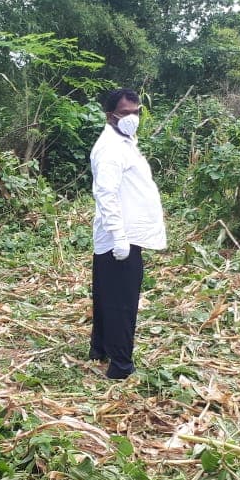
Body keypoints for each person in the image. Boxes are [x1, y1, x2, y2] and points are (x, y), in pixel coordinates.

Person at [88, 89, 167, 380]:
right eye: (126, 113)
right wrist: (119, 237)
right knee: (122, 301)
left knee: (106, 294)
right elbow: (105, 194)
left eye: (137, 112)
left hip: (121, 233)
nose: (133, 118)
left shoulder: (124, 141)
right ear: (110, 116)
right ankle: (121, 365)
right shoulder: (110, 149)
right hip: (121, 235)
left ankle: (100, 349)